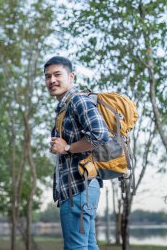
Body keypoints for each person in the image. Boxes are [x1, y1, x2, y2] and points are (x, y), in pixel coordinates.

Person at [44, 56, 109, 250]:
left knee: (76, 247)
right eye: (48, 76)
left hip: (78, 188)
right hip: (83, 188)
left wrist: (67, 148)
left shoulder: (77, 100)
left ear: (71, 76)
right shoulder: (65, 106)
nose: (52, 80)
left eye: (57, 74)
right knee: (88, 246)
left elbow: (100, 135)